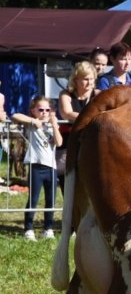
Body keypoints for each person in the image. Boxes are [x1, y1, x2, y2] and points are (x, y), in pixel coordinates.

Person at [11, 96, 63, 241]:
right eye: (40, 109)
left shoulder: (53, 125)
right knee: (33, 199)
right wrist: (34, 121)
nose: (44, 112)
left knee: (50, 200)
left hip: (51, 167)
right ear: (34, 111)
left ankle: (48, 228)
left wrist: (54, 125)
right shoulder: (32, 124)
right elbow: (15, 115)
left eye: (48, 109)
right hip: (35, 166)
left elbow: (58, 143)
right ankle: (28, 229)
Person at [57, 61, 98, 193]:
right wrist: (91, 117)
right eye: (86, 79)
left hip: (91, 141)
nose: (89, 82)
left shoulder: (98, 94)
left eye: (92, 79)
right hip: (69, 141)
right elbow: (67, 113)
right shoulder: (66, 94)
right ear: (76, 79)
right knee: (67, 179)